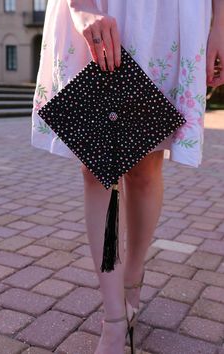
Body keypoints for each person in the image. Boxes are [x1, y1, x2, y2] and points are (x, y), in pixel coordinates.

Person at [31, 0, 224, 353]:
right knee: (96, 166)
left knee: (146, 166)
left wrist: (220, 26)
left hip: (167, 13)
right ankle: (115, 317)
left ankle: (132, 281)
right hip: (101, 5)